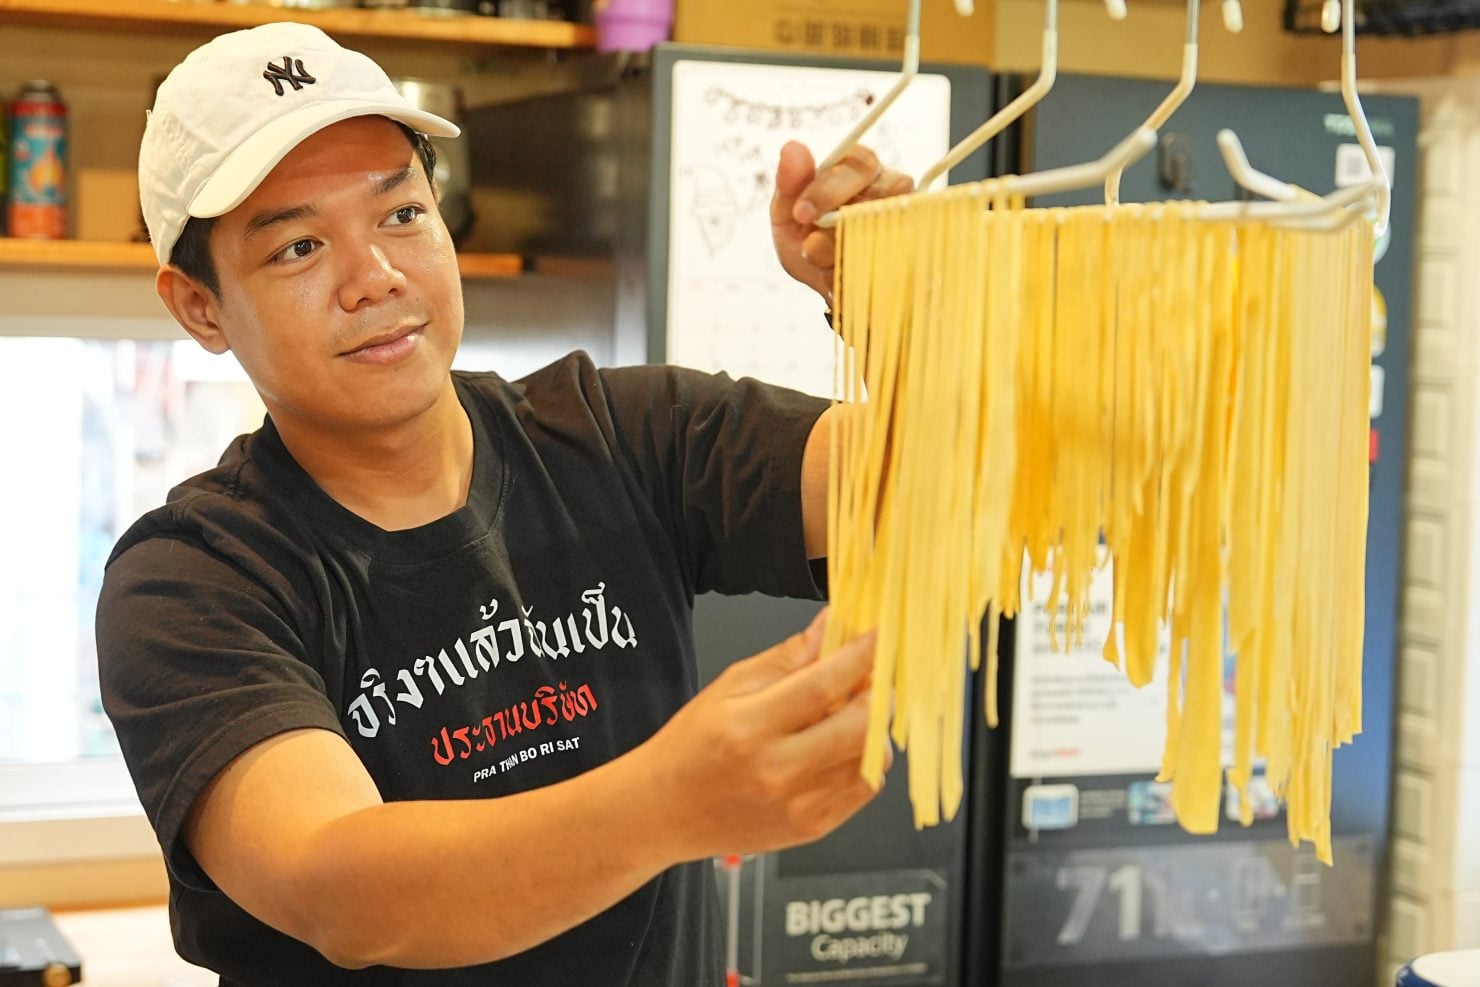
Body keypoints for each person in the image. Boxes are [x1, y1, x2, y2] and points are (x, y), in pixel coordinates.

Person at [96, 20, 914, 986]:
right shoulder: (193, 580)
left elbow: (935, 485)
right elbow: (343, 888)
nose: (376, 277)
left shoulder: (620, 434)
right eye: (300, 246)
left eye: (402, 214)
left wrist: (902, 301)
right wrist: (672, 801)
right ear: (199, 306)